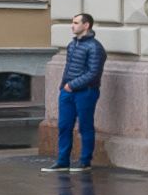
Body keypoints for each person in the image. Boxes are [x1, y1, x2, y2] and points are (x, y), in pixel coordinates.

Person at [45, 12, 106, 174]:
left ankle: (85, 161)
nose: (72, 26)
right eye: (73, 23)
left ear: (86, 25)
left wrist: (71, 85)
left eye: (76, 23)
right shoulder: (72, 45)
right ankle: (62, 161)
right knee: (64, 126)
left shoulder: (95, 47)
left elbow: (94, 72)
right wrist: (63, 86)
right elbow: (68, 68)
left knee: (85, 127)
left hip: (86, 92)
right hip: (67, 92)